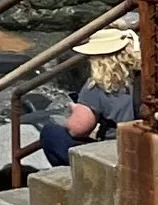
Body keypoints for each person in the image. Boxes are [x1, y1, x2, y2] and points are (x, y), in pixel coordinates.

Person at [38, 24, 140, 167]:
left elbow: (77, 130)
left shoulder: (98, 84)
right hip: (145, 145)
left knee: (51, 133)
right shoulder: (144, 76)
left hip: (116, 152)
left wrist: (76, 110)